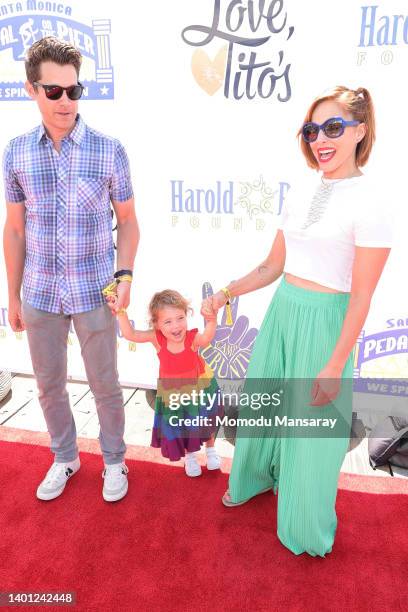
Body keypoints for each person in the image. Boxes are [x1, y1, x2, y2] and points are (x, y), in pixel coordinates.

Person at [201, 86, 393, 557]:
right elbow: (273, 267)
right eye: (312, 130)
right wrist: (227, 291)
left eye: (333, 127)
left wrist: (335, 364)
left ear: (360, 131)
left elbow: (362, 296)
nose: (320, 140)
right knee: (265, 407)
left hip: (327, 324)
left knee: (310, 432)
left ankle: (306, 527)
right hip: (283, 312)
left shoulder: (372, 201)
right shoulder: (303, 188)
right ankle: (255, 479)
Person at [2, 37, 139, 502]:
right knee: (48, 386)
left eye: (73, 91)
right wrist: (13, 295)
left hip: (95, 291)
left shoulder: (109, 150)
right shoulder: (16, 152)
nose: (65, 101)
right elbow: (15, 230)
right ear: (31, 90)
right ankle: (65, 456)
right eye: (53, 91)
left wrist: (125, 276)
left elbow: (129, 222)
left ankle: (116, 461)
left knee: (105, 384)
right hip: (40, 292)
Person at [107, 288, 222, 476]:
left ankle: (210, 450)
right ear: (157, 324)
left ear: (187, 315)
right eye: (168, 321)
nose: (176, 326)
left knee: (205, 419)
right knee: (184, 423)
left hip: (199, 386)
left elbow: (207, 338)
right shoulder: (157, 338)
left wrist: (212, 320)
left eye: (180, 318)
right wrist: (120, 311)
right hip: (174, 392)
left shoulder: (192, 338)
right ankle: (190, 456)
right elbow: (131, 335)